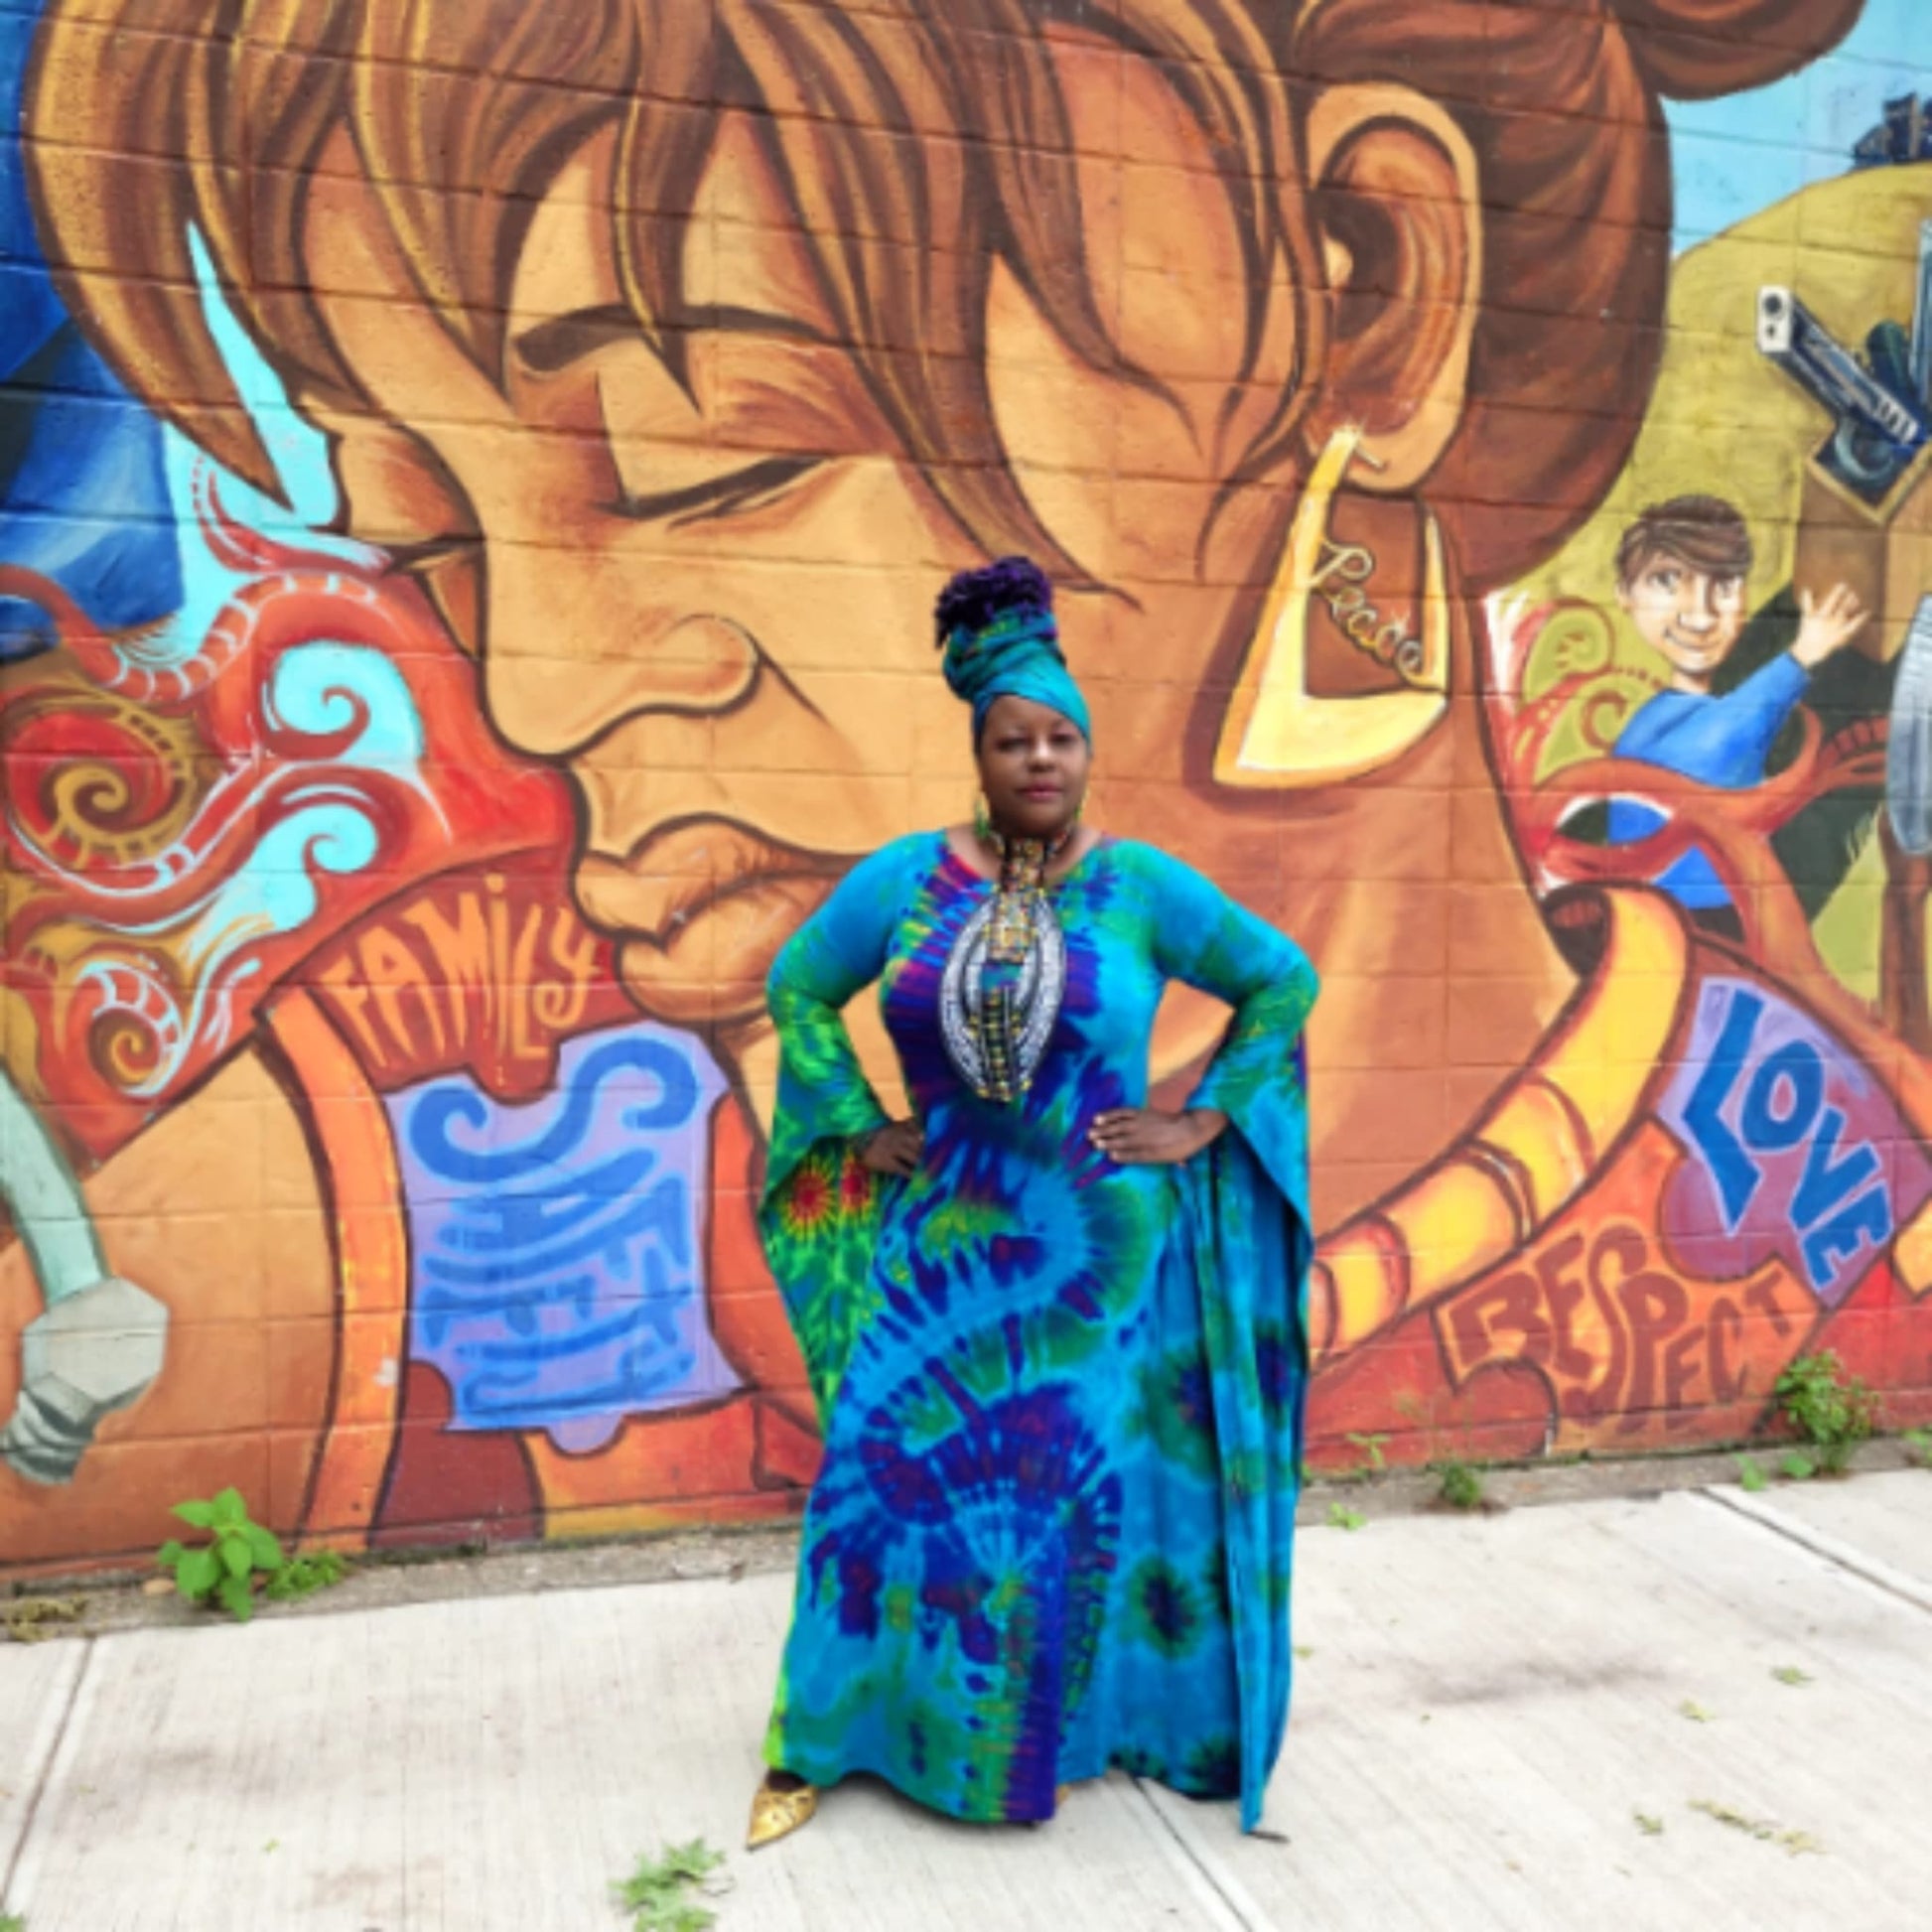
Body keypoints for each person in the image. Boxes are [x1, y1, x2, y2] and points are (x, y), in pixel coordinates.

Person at [2, 0, 1870, 1562]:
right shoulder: (445, 1099)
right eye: (430, 530)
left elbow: (1259, 995)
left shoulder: (1820, 1190)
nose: (536, 687)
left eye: (711, 464)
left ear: (1371, 295)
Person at [748, 558, 1316, 1845]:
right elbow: (797, 985)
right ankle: (835, 1732)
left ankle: (1026, 1747)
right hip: (938, 1241)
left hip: (1093, 1258)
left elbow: (1279, 978)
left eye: (1062, 737)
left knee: (1047, 1505)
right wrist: (859, 1125)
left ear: (1086, 749)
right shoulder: (903, 880)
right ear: (979, 753)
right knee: (874, 1484)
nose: (1041, 758)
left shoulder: (1141, 886)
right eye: (1015, 739)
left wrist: (1201, 1118)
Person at [1605, 496, 1868, 931]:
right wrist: (1802, 656)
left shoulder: (1680, 713)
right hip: (1690, 926)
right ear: (1625, 595)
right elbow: (1711, 746)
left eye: (1725, 586)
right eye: (1668, 580)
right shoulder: (1662, 726)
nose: (1701, 615)